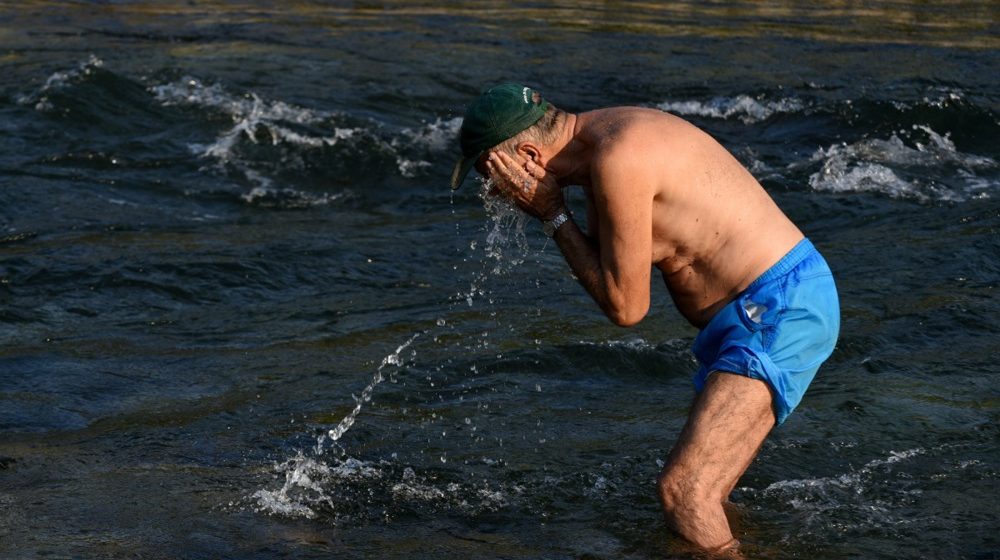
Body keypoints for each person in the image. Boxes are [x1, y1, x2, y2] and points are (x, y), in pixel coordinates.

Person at [449, 83, 840, 554]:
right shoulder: (604, 138)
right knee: (708, 497)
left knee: (684, 492)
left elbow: (627, 308)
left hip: (778, 308)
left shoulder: (618, 160)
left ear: (529, 155)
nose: (494, 192)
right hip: (764, 307)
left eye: (491, 175)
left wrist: (552, 213)